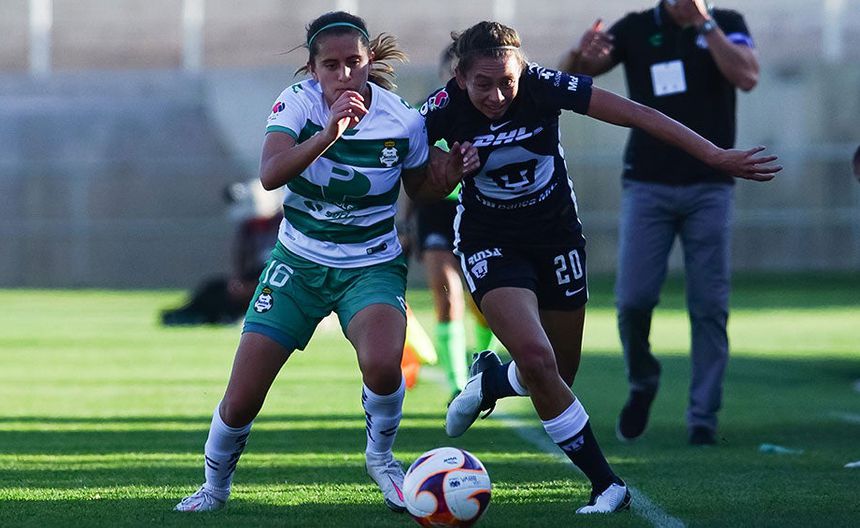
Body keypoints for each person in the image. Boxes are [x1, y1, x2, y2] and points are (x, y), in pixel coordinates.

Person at [424, 21, 779, 514]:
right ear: (460, 78)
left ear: (521, 69)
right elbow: (417, 185)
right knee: (538, 359)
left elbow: (638, 114)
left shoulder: (542, 85)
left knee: (558, 372)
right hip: (491, 241)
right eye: (483, 83)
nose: (498, 95)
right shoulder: (440, 111)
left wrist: (714, 155)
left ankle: (492, 382)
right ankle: (607, 484)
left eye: (507, 81)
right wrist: (446, 173)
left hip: (556, 238)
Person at [174, 11, 474, 513]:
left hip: (371, 264)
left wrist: (449, 175)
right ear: (313, 69)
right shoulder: (298, 103)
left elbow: (420, 189)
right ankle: (214, 487)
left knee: (383, 365)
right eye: (330, 65)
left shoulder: (401, 118)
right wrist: (327, 135)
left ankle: (381, 458)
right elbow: (271, 174)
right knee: (243, 396)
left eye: (353, 62)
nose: (343, 74)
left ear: (369, 61)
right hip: (298, 264)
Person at [560, 0, 762, 445]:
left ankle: (702, 416)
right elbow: (574, 78)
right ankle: (642, 378)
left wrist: (704, 24)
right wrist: (578, 54)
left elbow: (747, 77)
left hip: (710, 188)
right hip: (647, 185)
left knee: (709, 305)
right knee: (633, 300)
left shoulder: (726, 23)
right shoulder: (637, 27)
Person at [406, 43, 498, 400]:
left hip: (478, 212)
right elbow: (409, 172)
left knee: (486, 302)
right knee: (447, 295)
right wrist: (404, 224)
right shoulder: (425, 115)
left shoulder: (491, 115)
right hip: (435, 214)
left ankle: (482, 364)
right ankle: (458, 385)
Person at [160, 179, 282, 326]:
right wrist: (238, 282)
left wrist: (254, 286)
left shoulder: (284, 225)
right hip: (255, 279)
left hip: (276, 285)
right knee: (214, 288)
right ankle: (192, 315)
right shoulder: (248, 229)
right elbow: (242, 262)